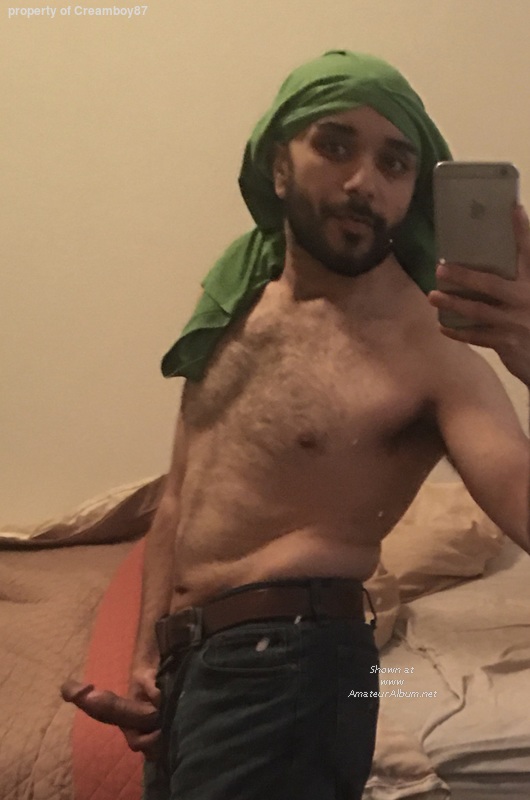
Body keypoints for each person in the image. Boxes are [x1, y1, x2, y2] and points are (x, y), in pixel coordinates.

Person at [62, 50, 530, 799]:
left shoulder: (431, 349)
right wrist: (152, 653)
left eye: (395, 162)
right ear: (279, 166)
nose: (364, 182)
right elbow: (182, 494)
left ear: (414, 190)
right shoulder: (231, 301)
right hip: (191, 667)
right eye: (335, 145)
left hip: (295, 668)